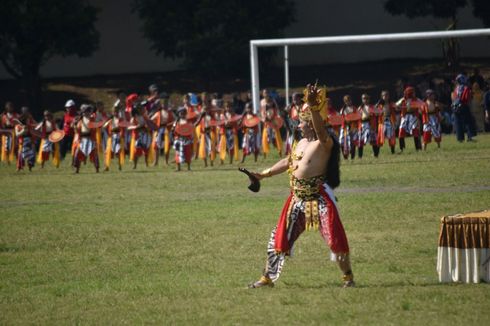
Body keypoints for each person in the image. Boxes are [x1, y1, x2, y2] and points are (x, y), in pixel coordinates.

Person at [247, 83, 353, 289]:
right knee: (278, 238)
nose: (298, 126)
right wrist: (262, 174)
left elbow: (320, 130)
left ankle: (348, 277)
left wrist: (313, 107)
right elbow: (288, 162)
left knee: (335, 239)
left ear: (311, 123)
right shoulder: (301, 142)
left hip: (319, 199)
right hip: (297, 200)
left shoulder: (324, 142)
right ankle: (267, 278)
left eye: (302, 123)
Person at [72, 104, 100, 173]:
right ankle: (77, 169)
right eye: (85, 111)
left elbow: (97, 125)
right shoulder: (80, 119)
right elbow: (75, 129)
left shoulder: (92, 119)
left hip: (90, 139)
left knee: (94, 154)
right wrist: (75, 124)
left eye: (88, 111)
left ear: (90, 112)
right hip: (82, 139)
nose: (86, 113)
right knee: (78, 153)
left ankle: (97, 169)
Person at [396, 86, 424, 151]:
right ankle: (402, 148)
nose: (414, 94)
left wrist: (420, 108)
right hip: (405, 116)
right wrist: (400, 108)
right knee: (401, 131)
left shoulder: (416, 99)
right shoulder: (403, 100)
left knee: (415, 131)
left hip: (413, 116)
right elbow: (396, 105)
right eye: (412, 92)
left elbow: (423, 105)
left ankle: (418, 148)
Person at [103, 101, 127, 171]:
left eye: (116, 112)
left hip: (118, 136)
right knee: (107, 152)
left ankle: (119, 165)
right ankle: (106, 166)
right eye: (114, 112)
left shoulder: (120, 119)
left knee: (118, 152)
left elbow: (123, 128)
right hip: (112, 137)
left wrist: (121, 137)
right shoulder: (111, 120)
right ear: (112, 112)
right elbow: (104, 127)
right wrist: (108, 132)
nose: (115, 113)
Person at [128, 104, 152, 169]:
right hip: (137, 136)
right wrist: (136, 127)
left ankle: (147, 164)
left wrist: (146, 127)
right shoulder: (133, 119)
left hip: (145, 135)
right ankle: (135, 165)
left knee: (146, 150)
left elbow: (149, 126)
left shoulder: (145, 117)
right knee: (137, 151)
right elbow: (129, 127)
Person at [451, 74, 475, 142]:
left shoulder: (456, 88)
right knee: (468, 121)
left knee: (458, 122)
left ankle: (460, 138)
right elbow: (467, 98)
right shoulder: (466, 88)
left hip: (455, 106)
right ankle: (470, 137)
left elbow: (454, 98)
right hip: (463, 106)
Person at [358, 94, 379, 158]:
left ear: (369, 99)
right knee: (360, 140)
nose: (365, 100)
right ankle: (360, 156)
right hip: (362, 125)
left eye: (367, 98)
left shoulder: (372, 107)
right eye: (364, 98)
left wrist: (374, 113)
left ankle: (376, 154)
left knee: (373, 140)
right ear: (362, 100)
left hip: (370, 124)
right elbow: (357, 116)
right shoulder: (360, 107)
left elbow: (378, 113)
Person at [339, 95, 360, 160]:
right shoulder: (343, 110)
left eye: (349, 100)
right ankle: (345, 156)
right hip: (345, 127)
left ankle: (352, 156)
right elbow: (340, 118)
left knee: (352, 142)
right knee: (342, 141)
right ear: (345, 102)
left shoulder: (354, 109)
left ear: (351, 101)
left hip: (353, 127)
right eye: (346, 101)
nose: (348, 102)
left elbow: (358, 117)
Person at [172, 107, 193, 171]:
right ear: (179, 114)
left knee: (188, 153)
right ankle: (178, 167)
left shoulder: (188, 121)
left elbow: (190, 129)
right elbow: (173, 130)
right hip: (179, 139)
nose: (182, 114)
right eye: (181, 113)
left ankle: (188, 167)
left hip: (187, 139)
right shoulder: (176, 122)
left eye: (184, 113)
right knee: (177, 153)